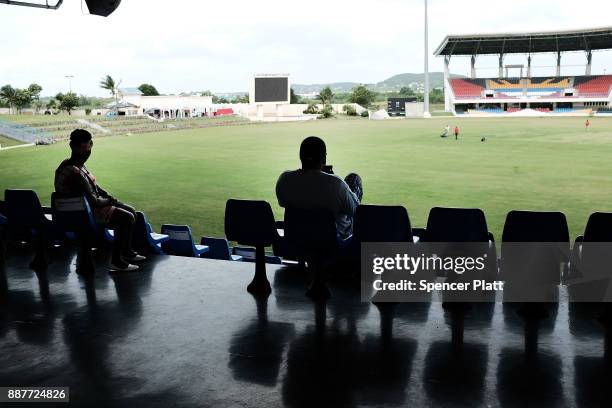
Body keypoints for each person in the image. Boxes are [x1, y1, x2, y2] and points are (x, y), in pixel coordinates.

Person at [55, 129, 145, 272]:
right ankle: (116, 261)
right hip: (82, 213)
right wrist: (110, 201)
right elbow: (94, 201)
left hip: (79, 208)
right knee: (127, 217)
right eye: (87, 146)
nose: (89, 149)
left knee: (131, 210)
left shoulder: (73, 164)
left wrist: (107, 196)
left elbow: (92, 186)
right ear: (83, 147)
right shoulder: (75, 172)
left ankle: (127, 252)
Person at [276, 136, 362, 240]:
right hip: (334, 244)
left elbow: (282, 202)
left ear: (301, 156)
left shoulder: (284, 179)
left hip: (298, 241)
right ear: (324, 158)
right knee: (353, 179)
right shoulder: (336, 184)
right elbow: (357, 212)